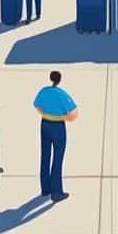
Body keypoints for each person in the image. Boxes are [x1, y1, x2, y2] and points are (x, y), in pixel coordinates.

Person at [33, 70, 78, 202]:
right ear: (59, 80)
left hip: (45, 124)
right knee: (58, 158)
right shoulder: (61, 94)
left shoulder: (43, 91)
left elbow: (37, 106)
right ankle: (56, 192)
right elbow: (73, 115)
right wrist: (61, 117)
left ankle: (45, 188)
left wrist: (47, 114)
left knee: (45, 156)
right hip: (58, 126)